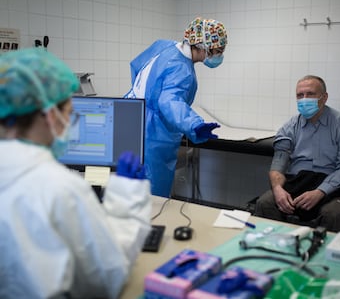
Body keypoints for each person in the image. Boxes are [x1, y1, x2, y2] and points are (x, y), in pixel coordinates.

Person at [0, 48, 152, 298]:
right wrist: (128, 200)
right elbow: (107, 278)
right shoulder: (59, 188)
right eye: (70, 114)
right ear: (50, 115)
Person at [124, 17, 228, 197]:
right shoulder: (183, 71)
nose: (219, 57)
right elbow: (169, 101)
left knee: (128, 188)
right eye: (217, 51)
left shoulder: (164, 46)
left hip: (129, 117)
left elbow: (136, 65)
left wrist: (143, 97)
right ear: (203, 46)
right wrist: (194, 124)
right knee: (153, 197)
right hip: (153, 134)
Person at [255, 75, 340, 232]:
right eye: (299, 95)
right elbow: (278, 165)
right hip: (298, 182)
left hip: (331, 186)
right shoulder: (289, 127)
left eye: (310, 94)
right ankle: (276, 247)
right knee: (265, 202)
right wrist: (277, 189)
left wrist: (320, 192)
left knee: (333, 213)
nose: (304, 99)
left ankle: (326, 254)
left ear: (324, 98)